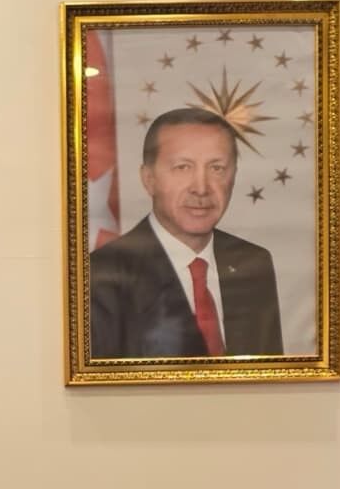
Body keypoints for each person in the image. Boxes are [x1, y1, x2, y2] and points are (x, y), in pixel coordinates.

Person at [89, 108, 283, 359]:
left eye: (217, 168)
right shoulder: (101, 275)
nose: (201, 188)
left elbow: (270, 374)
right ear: (149, 179)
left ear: (233, 177)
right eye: (183, 167)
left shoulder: (253, 263)